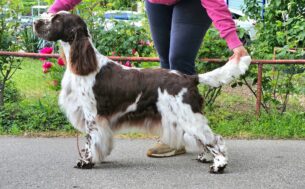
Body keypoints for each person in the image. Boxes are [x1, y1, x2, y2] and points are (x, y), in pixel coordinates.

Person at [48, 0, 249, 157]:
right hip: (158, 3)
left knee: (178, 59)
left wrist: (234, 43)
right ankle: (176, 133)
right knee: (165, 65)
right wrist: (54, 12)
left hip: (193, 3)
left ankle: (189, 135)